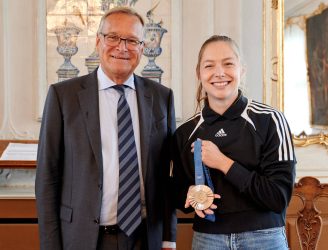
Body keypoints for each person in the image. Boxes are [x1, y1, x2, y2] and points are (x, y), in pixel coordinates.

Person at [35, 7, 176, 250]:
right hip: (84, 238)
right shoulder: (63, 96)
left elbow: (167, 176)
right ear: (98, 41)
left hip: (145, 237)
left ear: (142, 48)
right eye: (113, 37)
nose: (122, 47)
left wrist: (169, 237)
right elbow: (47, 179)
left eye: (132, 40)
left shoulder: (162, 98)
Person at [171, 35, 296, 250]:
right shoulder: (184, 133)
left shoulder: (271, 120)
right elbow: (174, 190)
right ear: (199, 73)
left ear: (242, 70)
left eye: (228, 64)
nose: (219, 73)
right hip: (207, 239)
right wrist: (189, 194)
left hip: (263, 237)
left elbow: (278, 198)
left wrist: (223, 163)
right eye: (209, 65)